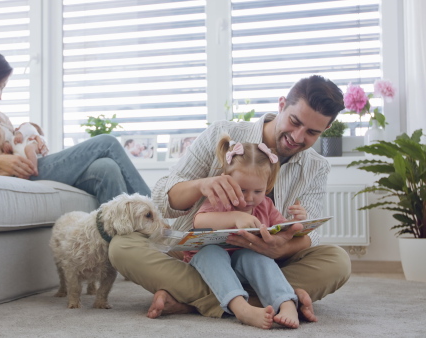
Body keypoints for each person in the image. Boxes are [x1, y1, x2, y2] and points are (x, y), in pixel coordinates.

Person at [108, 75, 351, 322]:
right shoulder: (222, 134)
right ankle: (280, 298)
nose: (298, 137)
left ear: (326, 130)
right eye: (294, 121)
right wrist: (202, 185)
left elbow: (311, 234)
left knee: (338, 261)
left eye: (312, 132)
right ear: (281, 105)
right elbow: (161, 199)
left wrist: (282, 248)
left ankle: (198, 301)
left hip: (264, 263)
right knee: (121, 247)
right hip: (197, 256)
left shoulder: (316, 166)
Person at [0, 51, 151, 204]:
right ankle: (159, 220)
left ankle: (127, 250)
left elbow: (16, 140)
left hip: (33, 165)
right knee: (107, 142)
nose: (0, 96)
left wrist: (32, 138)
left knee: (107, 167)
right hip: (20, 174)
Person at [188, 136, 303, 329]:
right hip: (210, 267)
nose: (249, 198)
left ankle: (286, 303)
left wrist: (297, 222)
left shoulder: (266, 205)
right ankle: (242, 308)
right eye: (242, 190)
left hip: (245, 267)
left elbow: (281, 231)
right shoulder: (220, 199)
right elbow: (199, 221)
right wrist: (234, 217)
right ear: (227, 181)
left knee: (256, 256)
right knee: (211, 252)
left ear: (267, 185)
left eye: (258, 191)